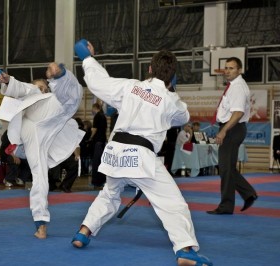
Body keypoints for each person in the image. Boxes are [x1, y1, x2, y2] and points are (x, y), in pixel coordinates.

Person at [71, 40, 212, 266]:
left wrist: (87, 58)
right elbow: (184, 117)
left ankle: (83, 232)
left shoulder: (129, 87)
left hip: (115, 153)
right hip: (140, 157)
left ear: (149, 69)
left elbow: (99, 83)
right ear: (172, 76)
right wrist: (172, 90)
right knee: (172, 203)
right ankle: (185, 250)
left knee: (110, 193)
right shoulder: (170, 101)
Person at [0, 63, 84, 239]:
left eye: (45, 87)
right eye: (40, 87)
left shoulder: (51, 98)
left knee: (67, 100)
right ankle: (40, 222)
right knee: (39, 175)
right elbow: (24, 89)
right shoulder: (32, 93)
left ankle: (61, 75)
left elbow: (72, 100)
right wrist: (8, 81)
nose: (42, 90)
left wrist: (60, 76)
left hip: (49, 125)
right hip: (31, 126)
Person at [207, 57, 258, 215]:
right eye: (226, 68)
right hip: (233, 128)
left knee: (225, 169)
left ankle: (227, 206)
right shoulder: (234, 86)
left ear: (239, 70)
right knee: (227, 169)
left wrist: (224, 131)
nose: (227, 71)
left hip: (232, 128)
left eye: (231, 68)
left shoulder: (237, 87)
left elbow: (238, 113)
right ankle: (248, 194)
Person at [89, 102, 107, 188]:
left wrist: (90, 138)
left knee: (96, 162)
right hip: (103, 141)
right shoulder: (103, 116)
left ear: (95, 108)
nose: (91, 110)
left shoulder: (97, 116)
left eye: (92, 108)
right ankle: (102, 180)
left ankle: (96, 182)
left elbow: (94, 129)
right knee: (101, 161)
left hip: (98, 142)